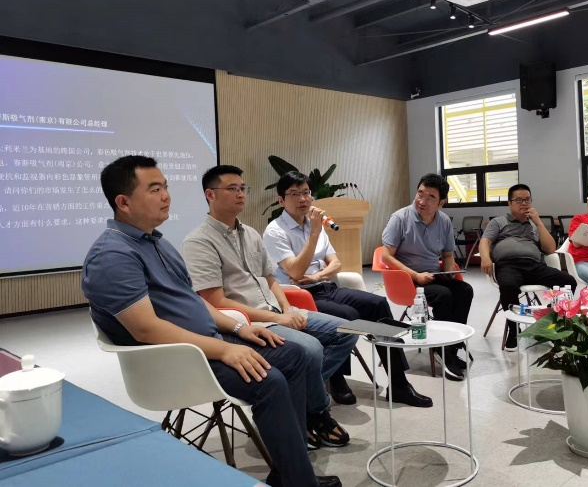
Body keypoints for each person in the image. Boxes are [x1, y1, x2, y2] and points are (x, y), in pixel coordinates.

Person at [81, 156, 340, 487]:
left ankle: (287, 468)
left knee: (296, 355)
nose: (166, 196)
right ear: (123, 202)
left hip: (204, 340)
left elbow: (195, 303)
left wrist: (239, 327)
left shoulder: (156, 242)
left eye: (165, 187)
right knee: (270, 380)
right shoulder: (112, 255)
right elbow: (146, 329)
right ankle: (299, 481)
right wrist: (224, 349)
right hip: (173, 357)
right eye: (155, 189)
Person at [181, 165, 356, 451]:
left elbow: (272, 280)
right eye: (232, 189)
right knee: (310, 348)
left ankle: (299, 401)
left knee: (346, 331)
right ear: (210, 195)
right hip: (248, 322)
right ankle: (317, 411)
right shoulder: (198, 241)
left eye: (243, 188)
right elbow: (217, 302)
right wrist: (277, 319)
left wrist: (287, 311)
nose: (241, 194)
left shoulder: (251, 233)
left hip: (276, 310)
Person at [263, 171, 432, 408]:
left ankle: (399, 383)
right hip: (297, 296)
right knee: (348, 316)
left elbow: (336, 263)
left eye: (306, 192)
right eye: (294, 194)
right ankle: (337, 378)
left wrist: (318, 275)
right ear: (281, 200)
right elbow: (296, 272)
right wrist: (314, 235)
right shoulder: (275, 231)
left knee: (377, 304)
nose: (302, 199)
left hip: (324, 286)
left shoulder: (315, 225)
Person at [381, 173, 474, 381]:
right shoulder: (400, 218)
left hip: (433, 275)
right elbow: (386, 256)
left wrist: (449, 273)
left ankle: (450, 346)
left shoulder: (444, 221)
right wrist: (415, 275)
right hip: (407, 279)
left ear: (441, 203)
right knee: (443, 295)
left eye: (430, 197)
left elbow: (447, 255)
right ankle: (443, 351)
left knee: (464, 290)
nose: (422, 201)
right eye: (420, 194)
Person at [478, 183, 577, 350]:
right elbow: (485, 241)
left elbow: (550, 249)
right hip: (507, 265)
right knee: (508, 286)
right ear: (509, 203)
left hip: (534, 266)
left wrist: (538, 223)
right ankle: (513, 329)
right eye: (519, 200)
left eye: (527, 200)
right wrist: (485, 258)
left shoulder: (534, 225)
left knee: (568, 282)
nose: (524, 203)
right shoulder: (498, 222)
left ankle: (549, 322)